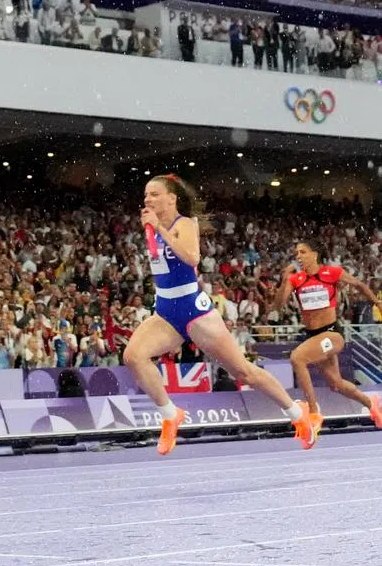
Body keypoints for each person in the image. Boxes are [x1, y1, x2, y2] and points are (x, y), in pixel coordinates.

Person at [122, 175, 315, 456]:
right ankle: (169, 413)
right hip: (165, 310)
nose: (147, 200)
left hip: (193, 310)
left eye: (153, 194)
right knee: (133, 356)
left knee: (244, 372)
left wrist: (160, 230)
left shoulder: (183, 224)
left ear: (171, 198)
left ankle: (298, 413)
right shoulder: (151, 227)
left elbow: (191, 258)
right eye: (146, 195)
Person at [274, 239, 382, 442]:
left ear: (315, 254)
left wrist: (377, 303)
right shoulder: (295, 279)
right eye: (296, 253)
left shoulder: (331, 273)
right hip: (313, 336)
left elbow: (358, 284)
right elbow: (278, 307)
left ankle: (314, 412)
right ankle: (372, 403)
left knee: (297, 358)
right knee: (336, 384)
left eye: (303, 252)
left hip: (332, 334)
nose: (298, 256)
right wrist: (284, 280)